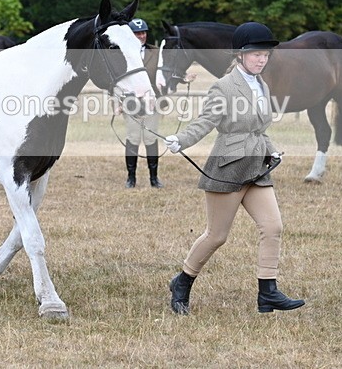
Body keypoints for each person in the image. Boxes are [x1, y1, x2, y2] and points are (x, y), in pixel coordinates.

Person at [163, 21, 304, 315]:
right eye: (255, 54)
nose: (261, 59)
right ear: (239, 54)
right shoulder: (224, 86)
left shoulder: (262, 84)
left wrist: (271, 148)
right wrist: (181, 140)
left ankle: (268, 292)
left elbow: (259, 127)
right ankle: (182, 282)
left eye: (265, 55)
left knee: (272, 226)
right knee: (216, 235)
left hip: (257, 166)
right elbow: (205, 122)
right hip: (228, 165)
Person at [122, 18, 163, 188]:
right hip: (131, 102)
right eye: (137, 33)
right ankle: (131, 177)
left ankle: (154, 178)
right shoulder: (123, 53)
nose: (141, 36)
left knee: (150, 138)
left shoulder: (156, 52)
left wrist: (183, 79)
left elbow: (164, 73)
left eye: (143, 32)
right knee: (133, 138)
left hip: (151, 102)